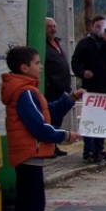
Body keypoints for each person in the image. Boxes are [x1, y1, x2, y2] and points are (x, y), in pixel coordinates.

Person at [1, 46, 83, 211]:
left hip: (31, 155)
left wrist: (71, 98)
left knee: (32, 202)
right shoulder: (24, 92)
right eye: (37, 63)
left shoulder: (29, 90)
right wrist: (65, 136)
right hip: (28, 155)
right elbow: (38, 127)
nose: (41, 66)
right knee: (32, 204)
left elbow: (50, 112)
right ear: (24, 67)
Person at [71, 16, 106, 164]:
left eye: (103, 27)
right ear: (92, 27)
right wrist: (83, 72)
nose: (100, 30)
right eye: (97, 27)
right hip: (91, 88)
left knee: (103, 121)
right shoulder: (84, 44)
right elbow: (75, 63)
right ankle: (89, 150)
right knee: (90, 120)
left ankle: (100, 149)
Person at [45, 17, 71, 157]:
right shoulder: (42, 45)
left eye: (54, 26)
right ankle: (48, 147)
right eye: (50, 26)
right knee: (50, 118)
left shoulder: (56, 43)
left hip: (62, 87)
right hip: (51, 88)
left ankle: (54, 146)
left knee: (58, 117)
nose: (53, 29)